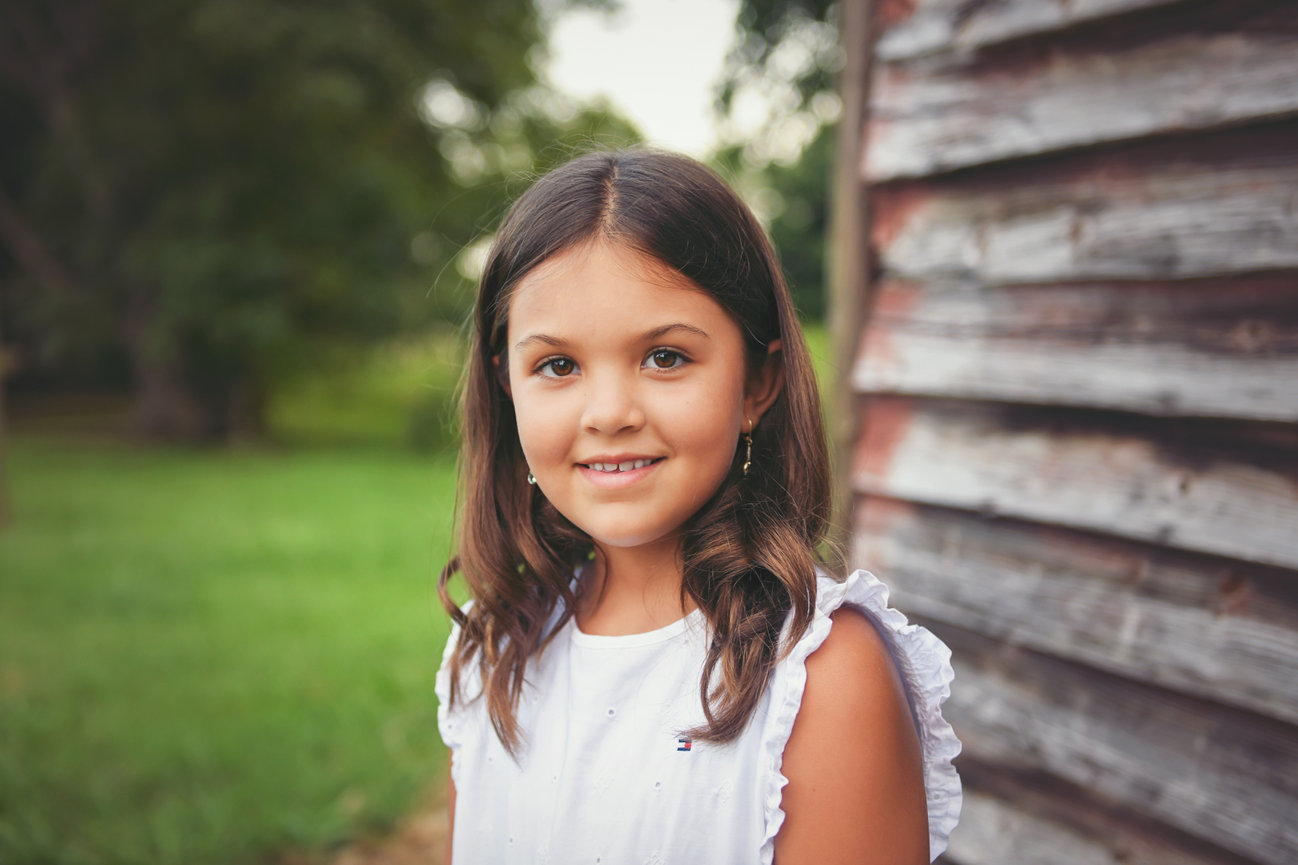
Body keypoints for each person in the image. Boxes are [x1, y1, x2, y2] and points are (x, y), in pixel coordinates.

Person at [435, 149, 961, 864]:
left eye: (665, 357)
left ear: (757, 383)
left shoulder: (818, 678)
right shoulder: (492, 655)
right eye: (558, 365)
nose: (610, 412)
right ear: (508, 388)